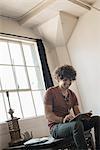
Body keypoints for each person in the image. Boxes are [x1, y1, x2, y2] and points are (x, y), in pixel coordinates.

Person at [44, 64, 100, 150]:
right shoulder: (50, 92)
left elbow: (77, 113)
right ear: (58, 79)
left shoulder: (72, 94)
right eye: (65, 80)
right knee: (76, 125)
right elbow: (48, 115)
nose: (68, 83)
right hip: (56, 127)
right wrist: (63, 119)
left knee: (97, 119)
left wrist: (84, 116)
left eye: (70, 80)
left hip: (70, 124)